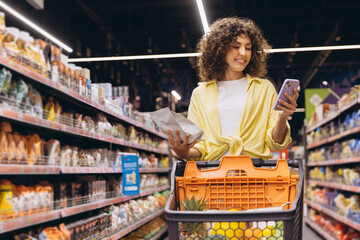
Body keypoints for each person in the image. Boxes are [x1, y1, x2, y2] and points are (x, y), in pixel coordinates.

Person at [167, 17, 299, 161]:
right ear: (220, 49)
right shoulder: (200, 94)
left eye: (248, 48)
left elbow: (275, 143)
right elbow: (201, 145)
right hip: (213, 176)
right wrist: (184, 153)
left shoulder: (264, 89)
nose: (243, 53)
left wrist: (282, 117)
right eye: (236, 47)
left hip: (255, 176)